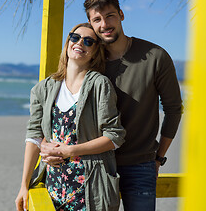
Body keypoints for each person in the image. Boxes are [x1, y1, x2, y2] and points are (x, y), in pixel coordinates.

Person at [40, 0, 183, 211]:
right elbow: (62, 107)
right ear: (90, 23)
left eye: (110, 16)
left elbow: (173, 110)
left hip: (140, 164)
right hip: (95, 164)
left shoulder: (155, 56)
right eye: (97, 19)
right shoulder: (89, 59)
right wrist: (49, 147)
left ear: (121, 15)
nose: (105, 24)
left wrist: (159, 158)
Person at [15, 23, 126, 211]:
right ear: (68, 43)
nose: (80, 43)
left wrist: (69, 151)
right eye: (75, 37)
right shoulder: (44, 88)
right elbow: (34, 137)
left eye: (88, 41)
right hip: (54, 188)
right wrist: (24, 186)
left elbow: (114, 137)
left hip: (90, 189)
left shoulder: (100, 85)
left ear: (94, 52)